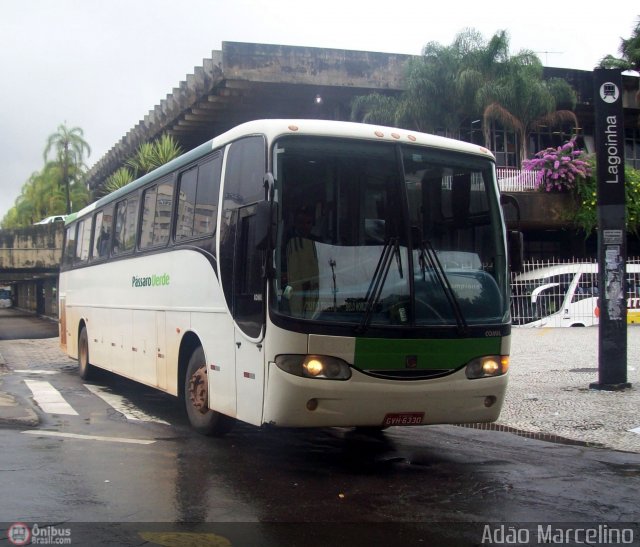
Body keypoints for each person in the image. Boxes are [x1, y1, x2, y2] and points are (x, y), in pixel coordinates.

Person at [285, 206, 319, 317]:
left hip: (314, 289)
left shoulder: (317, 242)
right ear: (295, 223)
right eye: (301, 222)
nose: (305, 226)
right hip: (290, 288)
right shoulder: (285, 241)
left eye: (308, 222)